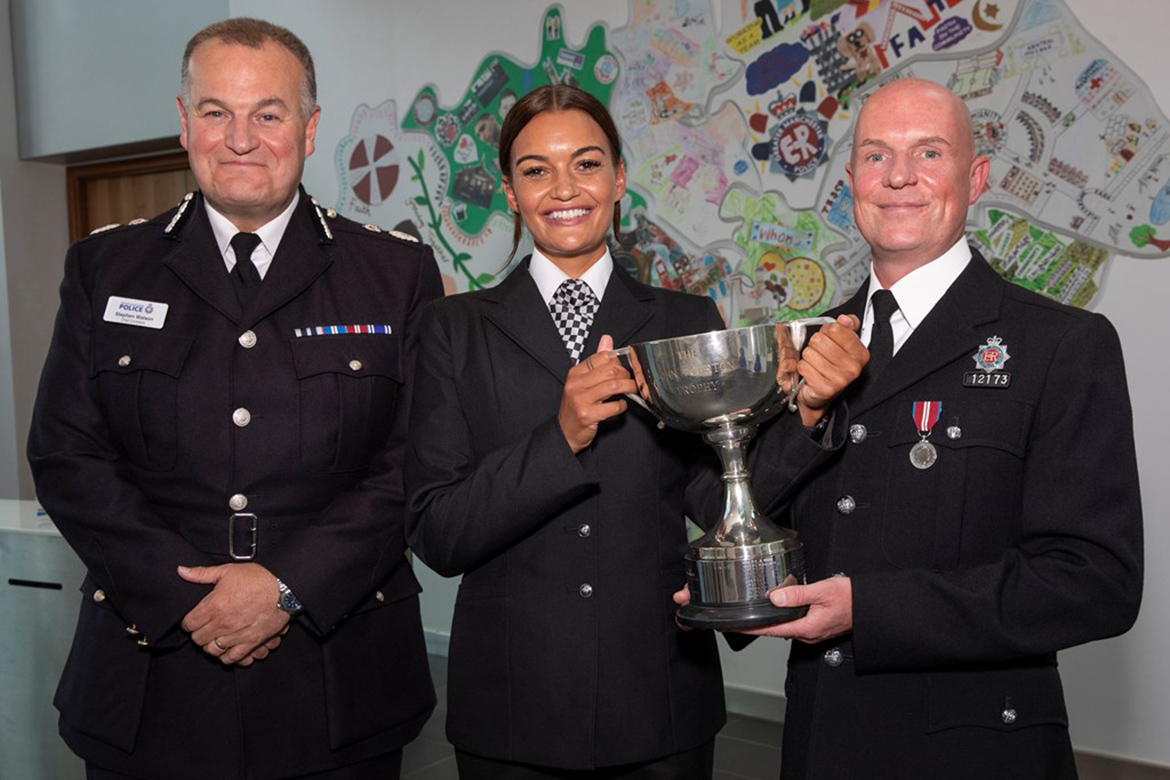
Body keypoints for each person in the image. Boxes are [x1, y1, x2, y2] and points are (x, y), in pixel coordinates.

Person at [404, 84, 866, 779]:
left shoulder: (686, 320)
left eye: (586, 164)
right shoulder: (451, 329)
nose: (564, 188)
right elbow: (438, 532)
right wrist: (560, 437)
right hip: (512, 704)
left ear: (619, 179)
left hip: (659, 698)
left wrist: (803, 415)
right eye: (536, 170)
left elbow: (722, 503)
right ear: (509, 191)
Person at [27, 18, 442, 780]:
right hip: (151, 676)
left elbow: (414, 459)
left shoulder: (394, 272)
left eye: (268, 114)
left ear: (310, 129)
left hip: (336, 683)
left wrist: (288, 585)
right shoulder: (105, 267)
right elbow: (66, 454)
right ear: (184, 124)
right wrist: (183, 596)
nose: (240, 138)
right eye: (216, 112)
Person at [742, 78, 1144, 779]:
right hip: (822, 744)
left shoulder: (1061, 344)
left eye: (928, 152)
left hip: (978, 749)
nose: (898, 176)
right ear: (852, 181)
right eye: (876, 155)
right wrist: (803, 418)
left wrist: (868, 609)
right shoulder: (799, 345)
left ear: (976, 176)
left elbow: (1095, 581)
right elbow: (745, 514)